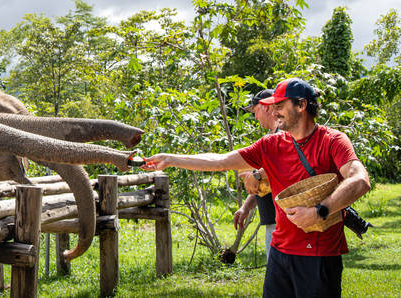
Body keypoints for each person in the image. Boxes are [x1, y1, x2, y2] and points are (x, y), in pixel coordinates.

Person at [142, 78, 371, 297]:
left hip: (319, 255)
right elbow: (221, 161)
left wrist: (320, 211)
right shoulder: (270, 144)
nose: (274, 112)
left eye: (279, 106)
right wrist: (170, 159)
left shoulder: (332, 141)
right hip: (280, 252)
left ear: (301, 105)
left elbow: (360, 180)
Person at [234, 89, 277, 260]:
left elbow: (280, 168)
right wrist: (246, 207)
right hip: (272, 221)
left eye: (255, 111)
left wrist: (256, 175)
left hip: (285, 222)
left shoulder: (283, 136)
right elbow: (266, 183)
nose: (255, 117)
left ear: (267, 107)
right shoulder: (270, 138)